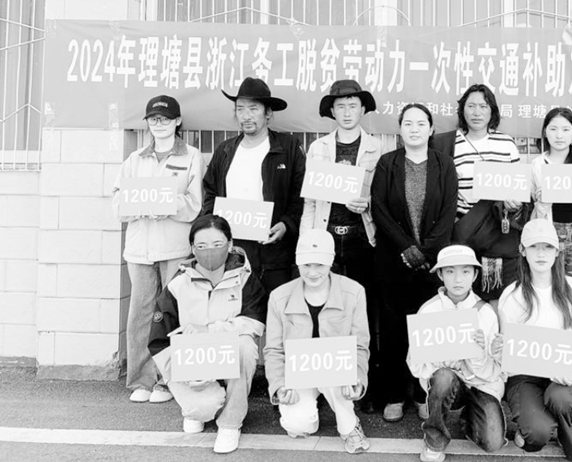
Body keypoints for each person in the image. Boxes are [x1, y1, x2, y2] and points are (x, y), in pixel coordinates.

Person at [112, 94, 204, 404]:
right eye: (153, 119)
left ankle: (168, 381)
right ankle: (141, 380)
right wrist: (141, 206)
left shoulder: (192, 156)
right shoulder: (135, 159)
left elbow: (195, 205)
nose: (159, 124)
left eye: (165, 118)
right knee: (140, 314)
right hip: (139, 249)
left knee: (172, 313)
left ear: (177, 121)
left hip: (174, 247)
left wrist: (165, 204)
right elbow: (118, 203)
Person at [148, 214, 266, 454]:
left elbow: (254, 323)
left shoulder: (245, 279)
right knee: (202, 410)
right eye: (201, 246)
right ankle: (202, 406)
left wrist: (210, 330)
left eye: (217, 244)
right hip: (194, 363)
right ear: (192, 248)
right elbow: (159, 342)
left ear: (230, 244)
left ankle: (230, 423)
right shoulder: (178, 284)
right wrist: (185, 374)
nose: (209, 251)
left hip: (229, 353)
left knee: (245, 346)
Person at [371, 103, 459, 423]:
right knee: (393, 330)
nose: (414, 129)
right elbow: (379, 209)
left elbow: (448, 212)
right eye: (408, 123)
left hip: (431, 265)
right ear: (400, 129)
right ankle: (394, 395)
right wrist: (406, 247)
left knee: (428, 332)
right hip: (394, 261)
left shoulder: (444, 164)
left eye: (421, 123)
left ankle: (423, 395)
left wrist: (425, 251)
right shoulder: (387, 163)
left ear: (431, 129)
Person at [300, 79, 383, 411]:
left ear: (363, 109)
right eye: (340, 106)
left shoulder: (376, 148)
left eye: (353, 106)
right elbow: (310, 200)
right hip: (326, 237)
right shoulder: (318, 148)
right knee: (322, 309)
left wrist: (368, 203)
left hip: (363, 238)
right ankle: (323, 384)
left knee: (363, 312)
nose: (347, 112)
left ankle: (363, 383)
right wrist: (307, 242)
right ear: (332, 111)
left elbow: (383, 194)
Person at [494, 219, 572, 462]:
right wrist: (498, 350)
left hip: (562, 371)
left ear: (557, 251)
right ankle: (549, 425)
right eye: (534, 247)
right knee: (537, 435)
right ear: (522, 250)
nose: (541, 254)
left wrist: (571, 369)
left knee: (560, 399)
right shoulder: (511, 296)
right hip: (525, 376)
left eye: (548, 247)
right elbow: (508, 353)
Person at [264, 229, 371, 454]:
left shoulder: (354, 291)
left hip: (336, 372)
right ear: (297, 263)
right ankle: (311, 410)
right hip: (299, 372)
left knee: (330, 365)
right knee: (298, 426)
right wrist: (279, 385)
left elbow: (360, 344)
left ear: (330, 261)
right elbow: (273, 349)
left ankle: (349, 426)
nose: (312, 273)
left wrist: (358, 378)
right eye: (306, 265)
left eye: (320, 265)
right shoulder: (279, 296)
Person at [202, 77, 306, 294]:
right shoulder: (225, 150)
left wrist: (286, 224)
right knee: (236, 309)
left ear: (268, 113)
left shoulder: (288, 148)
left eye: (253, 108)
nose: (246, 116)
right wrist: (215, 231)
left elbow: (300, 194)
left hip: (274, 252)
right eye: (240, 109)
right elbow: (210, 192)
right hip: (232, 253)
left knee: (276, 307)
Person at [407, 245, 506, 462]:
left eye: (465, 271)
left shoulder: (486, 313)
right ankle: (434, 441)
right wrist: (441, 361)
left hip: (480, 385)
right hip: (448, 383)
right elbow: (415, 364)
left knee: (492, 443)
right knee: (443, 377)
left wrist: (480, 352)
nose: (458, 279)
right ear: (440, 275)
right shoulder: (428, 311)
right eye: (450, 271)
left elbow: (493, 372)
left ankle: (469, 418)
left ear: (475, 275)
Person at [529, 107, 572, 401]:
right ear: (545, 132)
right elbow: (531, 213)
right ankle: (547, 375)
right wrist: (541, 201)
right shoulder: (536, 165)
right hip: (547, 240)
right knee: (547, 303)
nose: (559, 135)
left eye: (565, 129)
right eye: (553, 128)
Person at [432, 83, 524, 303]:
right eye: (471, 106)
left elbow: (518, 187)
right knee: (460, 296)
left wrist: (515, 203)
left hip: (496, 232)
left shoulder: (506, 143)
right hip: (460, 230)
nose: (477, 112)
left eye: (483, 106)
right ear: (462, 110)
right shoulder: (446, 143)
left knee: (497, 299)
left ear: (492, 111)